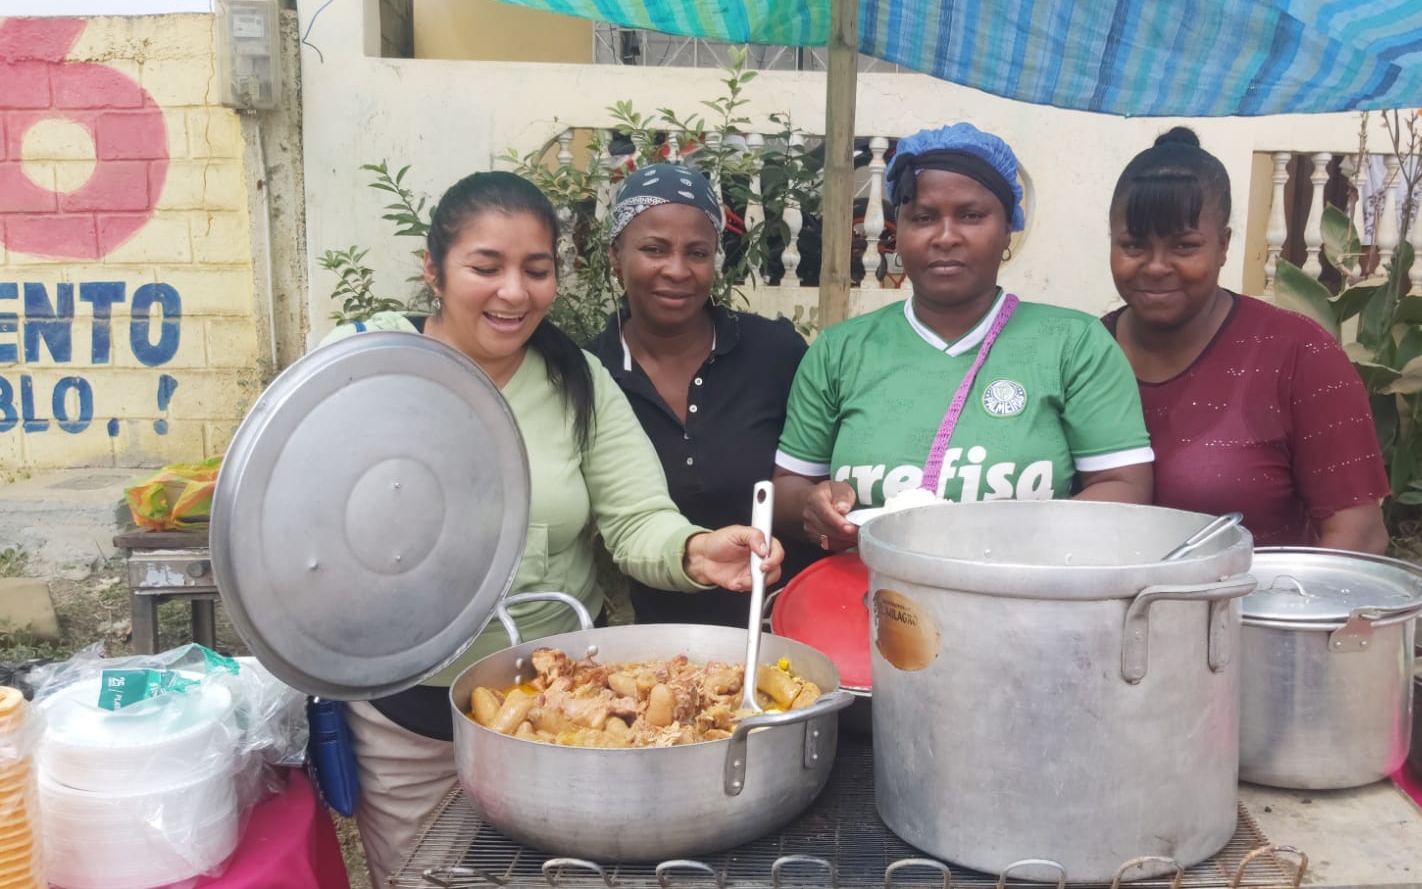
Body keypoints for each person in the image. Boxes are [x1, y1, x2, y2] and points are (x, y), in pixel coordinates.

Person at [322, 171, 784, 884]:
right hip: (406, 705)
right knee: (424, 875)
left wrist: (694, 551)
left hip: (560, 708)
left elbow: (637, 518)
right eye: (486, 267)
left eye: (536, 271)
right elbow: (295, 510)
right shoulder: (366, 362)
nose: (514, 292)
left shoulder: (579, 379)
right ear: (432, 270)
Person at [774, 123, 1154, 552]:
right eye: (923, 218)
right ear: (899, 231)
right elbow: (789, 485)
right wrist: (811, 504)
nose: (946, 237)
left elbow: (1123, 485)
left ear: (1008, 228)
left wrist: (1015, 541)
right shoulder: (840, 351)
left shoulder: (1073, 344)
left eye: (971, 216)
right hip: (867, 589)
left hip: (1027, 585)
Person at [1103, 127, 1390, 552]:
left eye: (1184, 246)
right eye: (1133, 245)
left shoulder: (1298, 354)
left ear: (1223, 245)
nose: (1157, 266)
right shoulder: (1082, 354)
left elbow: (1358, 535)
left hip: (1259, 595)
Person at [587, 163, 817, 625]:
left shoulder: (774, 353)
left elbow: (813, 476)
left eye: (697, 252)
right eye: (654, 249)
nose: (676, 270)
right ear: (615, 256)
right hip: (665, 645)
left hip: (788, 626)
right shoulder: (591, 376)